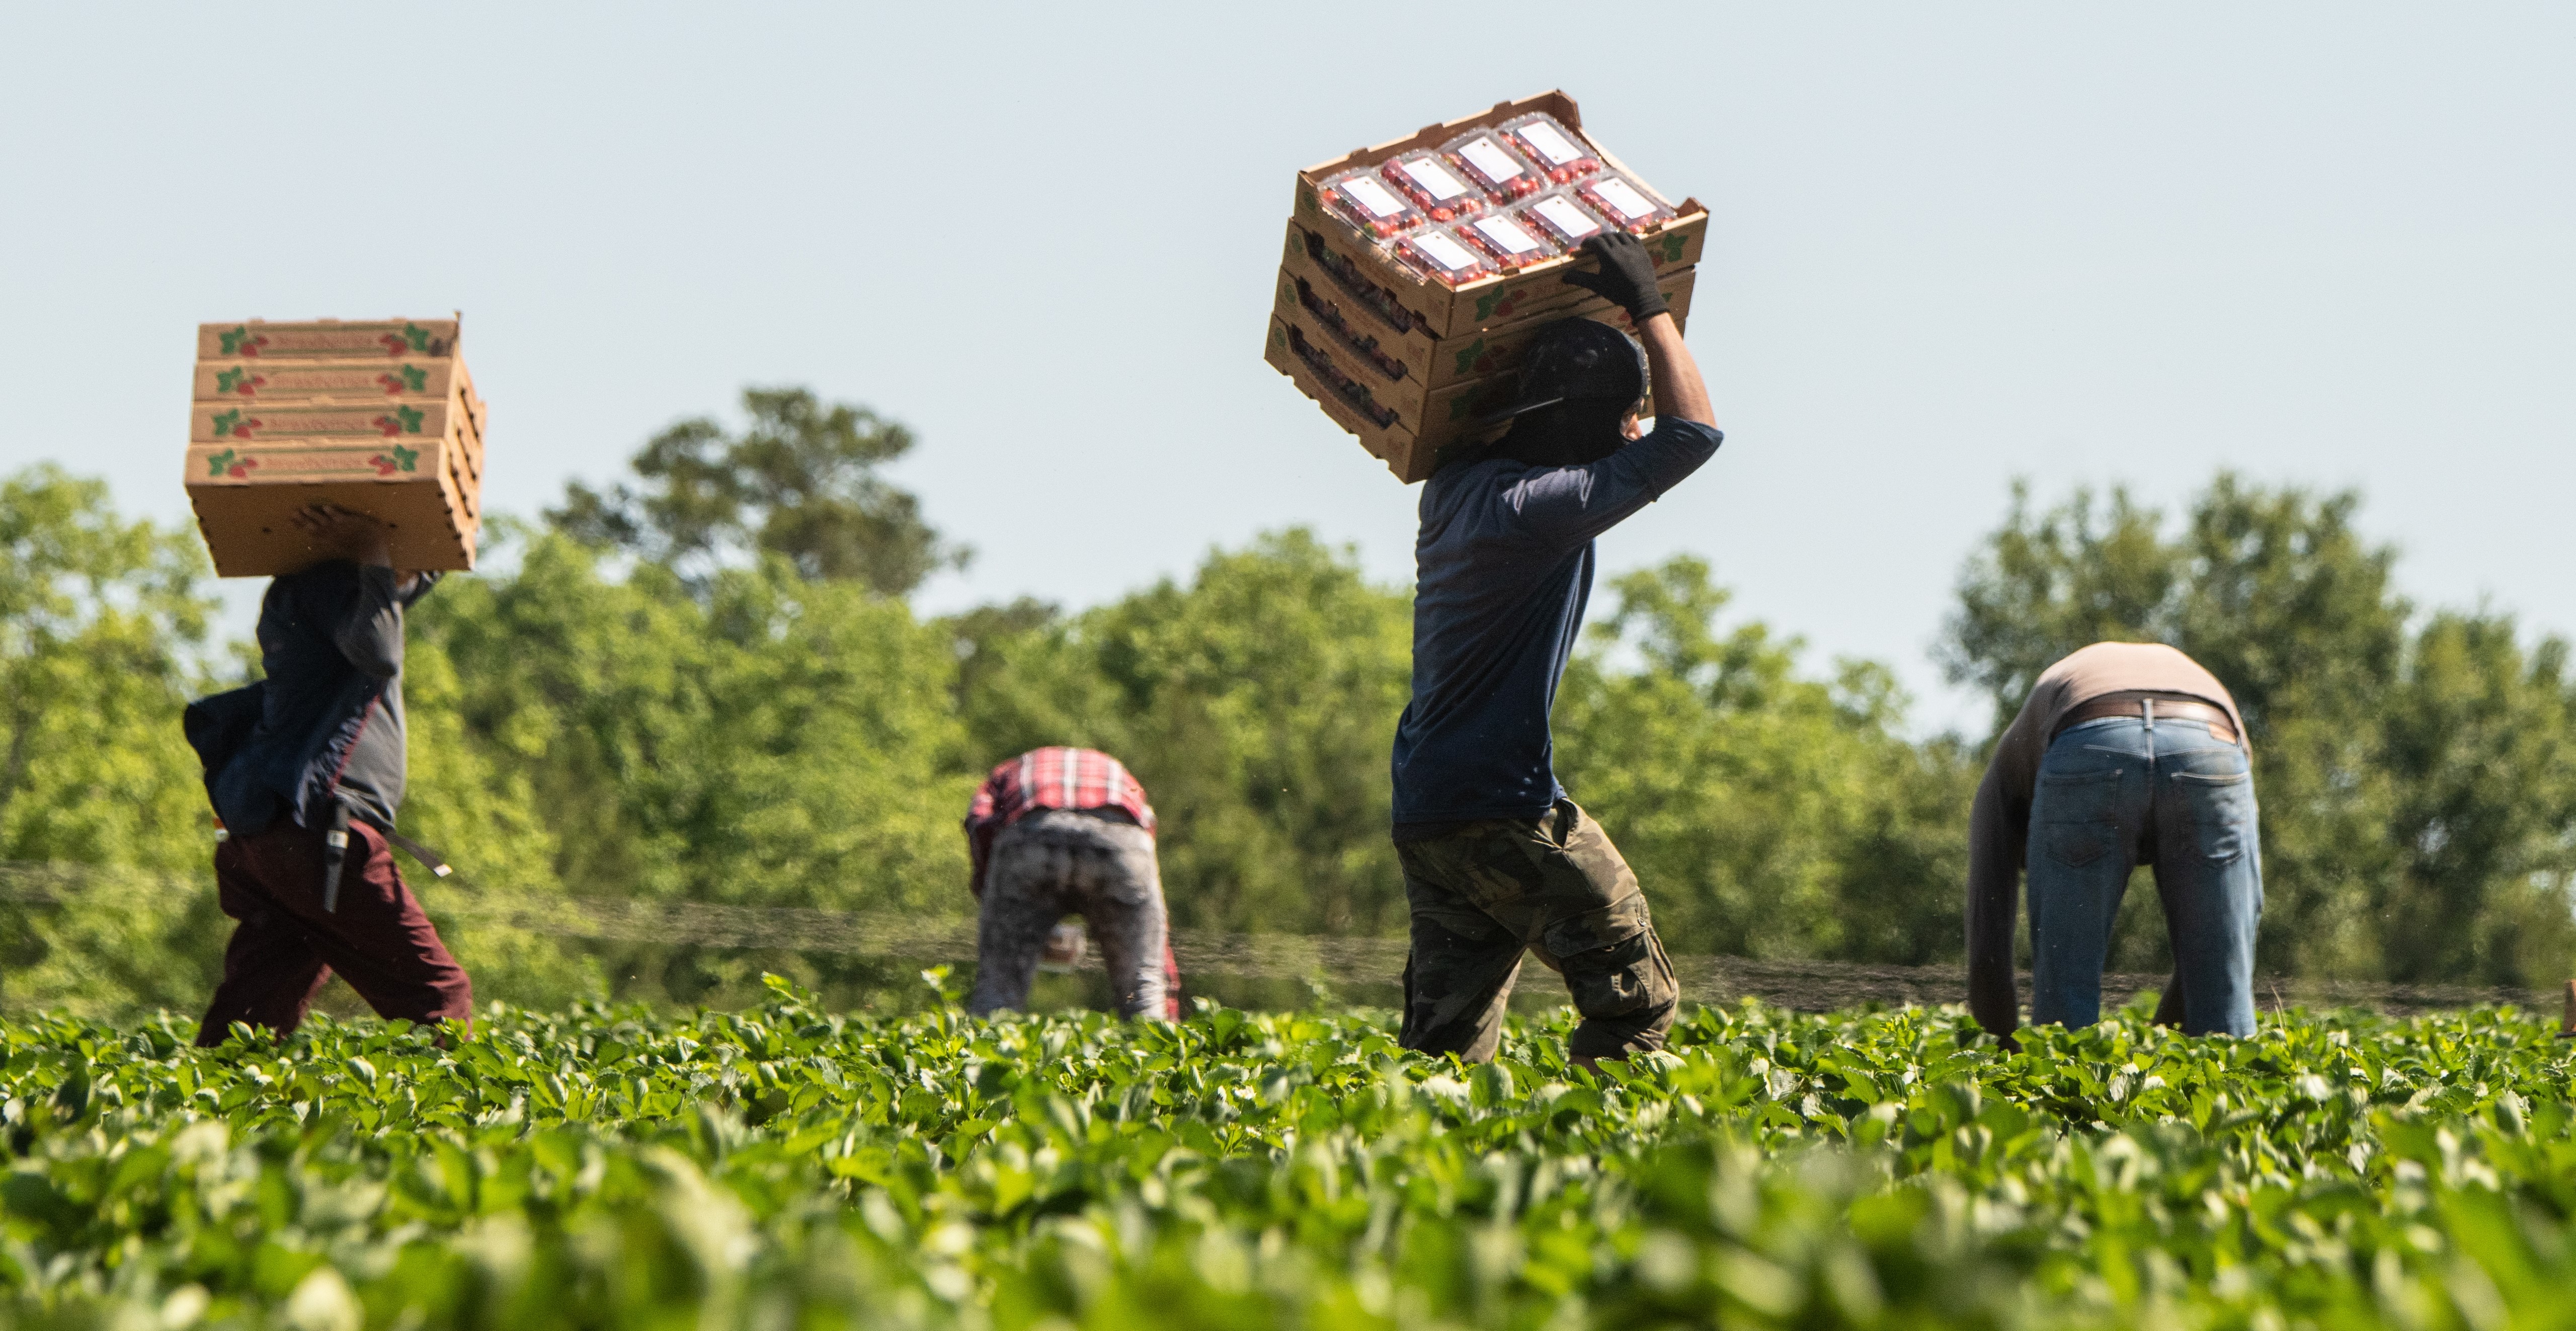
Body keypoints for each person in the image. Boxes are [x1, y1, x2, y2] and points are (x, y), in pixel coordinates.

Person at [1389, 231, 1722, 1068]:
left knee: (1444, 1050)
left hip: (1429, 807)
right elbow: (1693, 438)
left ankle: (1420, 1186)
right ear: (1592, 424)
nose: (1634, 428)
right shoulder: (1542, 510)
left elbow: (1503, 404)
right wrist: (1650, 304)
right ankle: (1594, 1184)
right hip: (1507, 805)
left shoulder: (1456, 488)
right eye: (1624, 415)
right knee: (1636, 1003)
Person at [184, 504, 474, 1045]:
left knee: (255, 1007)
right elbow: (379, 649)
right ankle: (443, 1126)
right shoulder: (331, 587)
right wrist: (374, 549)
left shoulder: (301, 593)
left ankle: (197, 1115)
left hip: (269, 843)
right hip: (319, 837)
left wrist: (421, 555)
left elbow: (381, 607)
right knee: (438, 996)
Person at [1965, 642, 2262, 1044]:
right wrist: (2163, 1047)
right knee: (2224, 1015)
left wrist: (2001, 1048)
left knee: (2063, 1022)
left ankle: (2065, 1092)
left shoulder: (2001, 782)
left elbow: (1988, 941)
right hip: (2212, 744)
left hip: (2088, 736)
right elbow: (2228, 934)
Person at [962, 746, 1179, 1019]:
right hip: (1120, 842)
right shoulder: (1118, 772)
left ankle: (982, 1055)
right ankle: (1161, 1056)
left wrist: (997, 907)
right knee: (1142, 989)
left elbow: (981, 824)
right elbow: (1146, 858)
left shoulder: (1005, 772)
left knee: (998, 991)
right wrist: (1168, 998)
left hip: (1033, 834)